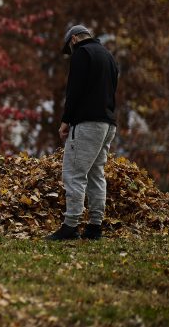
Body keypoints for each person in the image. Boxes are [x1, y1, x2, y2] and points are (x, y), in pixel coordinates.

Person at [47, 24, 119, 241]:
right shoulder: (108, 56)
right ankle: (95, 226)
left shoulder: (82, 53)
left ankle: (71, 225)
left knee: (74, 174)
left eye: (70, 48)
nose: (71, 53)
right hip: (107, 124)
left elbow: (74, 90)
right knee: (97, 174)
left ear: (74, 39)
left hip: (87, 124)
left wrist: (66, 120)